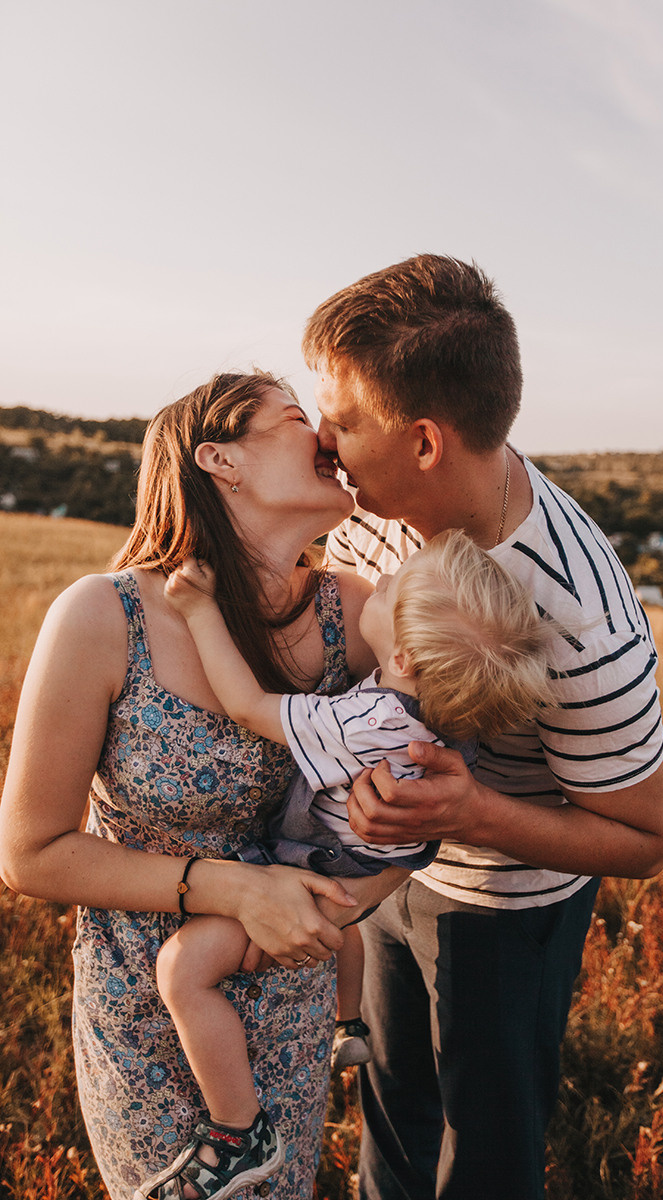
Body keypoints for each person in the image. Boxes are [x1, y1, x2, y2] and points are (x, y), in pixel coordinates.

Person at [301, 254, 663, 1200]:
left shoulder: (581, 618)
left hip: (510, 911)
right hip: (384, 879)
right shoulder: (377, 510)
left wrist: (466, 813)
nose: (321, 436)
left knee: (488, 1146)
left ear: (425, 440)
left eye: (342, 418)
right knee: (393, 1116)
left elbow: (643, 838)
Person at [0, 370, 407, 1200]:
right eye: (297, 418)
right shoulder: (104, 616)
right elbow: (29, 853)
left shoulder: (353, 615)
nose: (327, 434)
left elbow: (426, 757)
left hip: (287, 986)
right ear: (220, 459)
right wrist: (230, 888)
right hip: (145, 995)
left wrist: (367, 872)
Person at [152, 527, 554, 1197]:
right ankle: (348, 1022)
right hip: (358, 885)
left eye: (393, 587)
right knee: (354, 921)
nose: (382, 579)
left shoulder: (367, 722)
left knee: (183, 970)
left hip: (313, 888)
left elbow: (249, 706)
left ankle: (237, 1129)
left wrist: (198, 610)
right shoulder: (445, 723)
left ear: (401, 654)